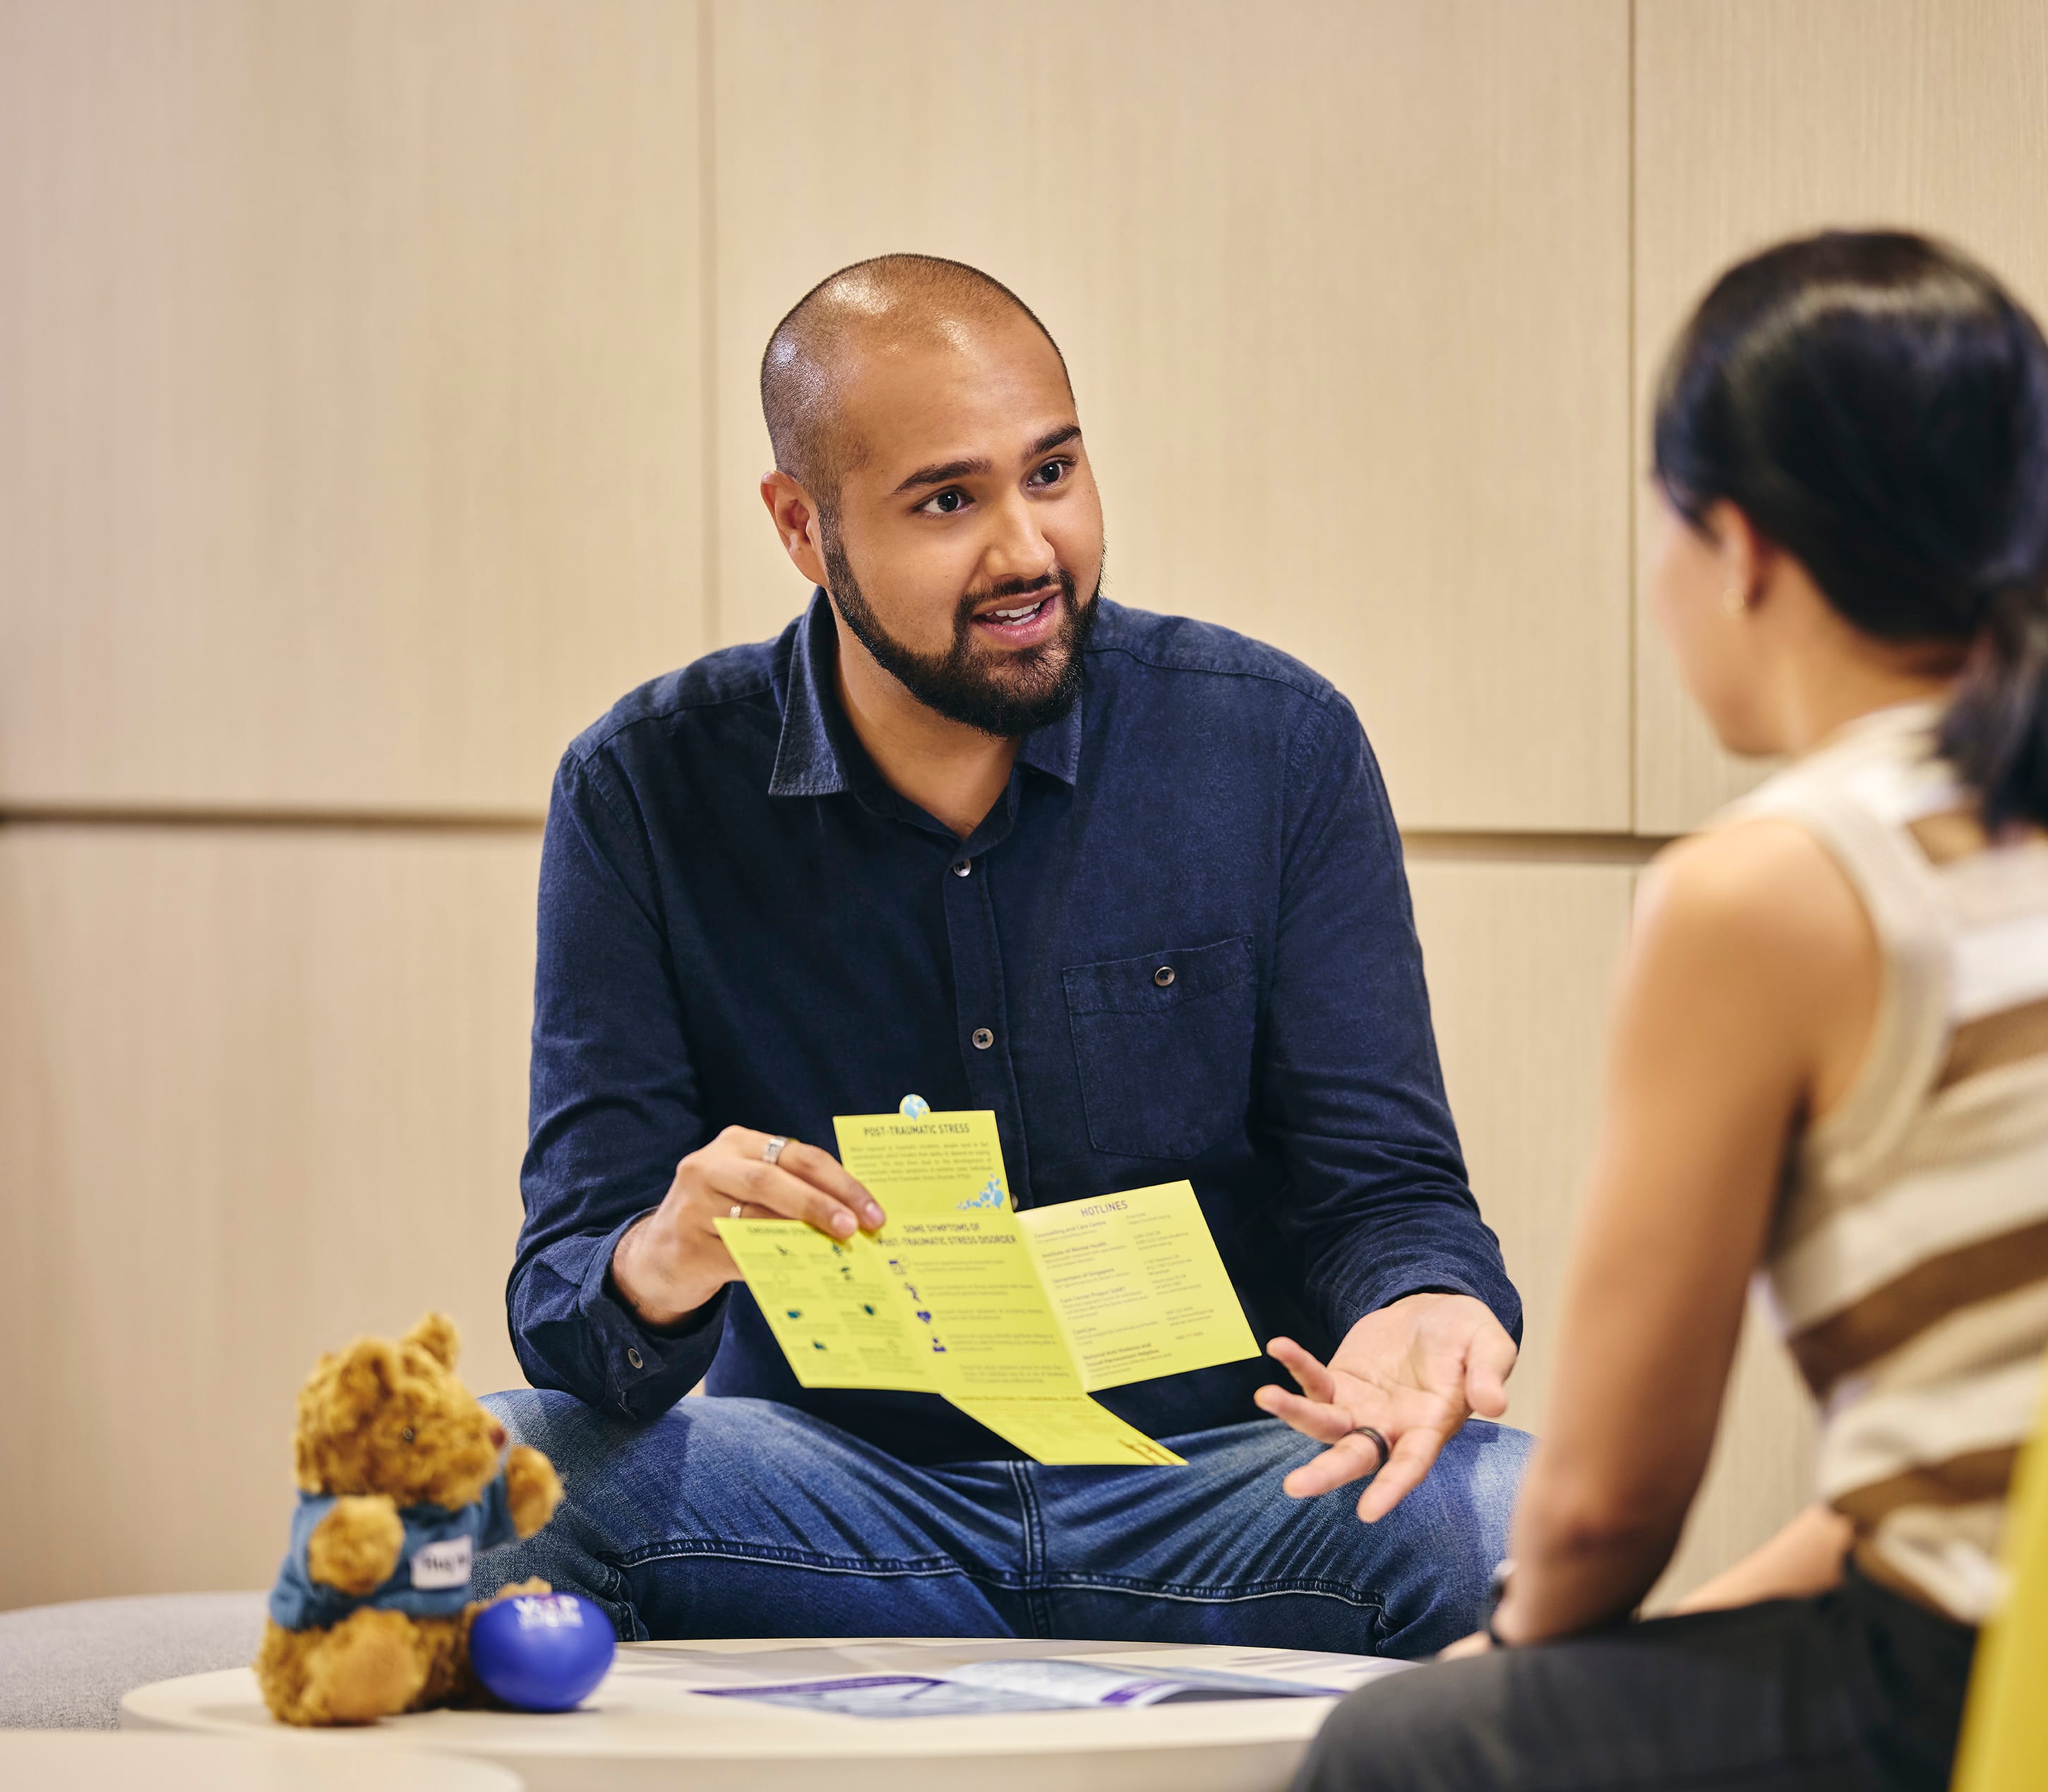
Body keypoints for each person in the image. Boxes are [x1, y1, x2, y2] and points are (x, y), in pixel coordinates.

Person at [1280, 230, 2048, 1792]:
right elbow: (1945, 1493)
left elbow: (1606, 1511)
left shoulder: (1774, 885)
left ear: (1737, 546)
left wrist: (1504, 1679)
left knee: (1390, 1766)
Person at [477, 254, 1528, 1657]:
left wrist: (1422, 1303)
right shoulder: (645, 792)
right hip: (830, 1497)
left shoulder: (1270, 745)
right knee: (484, 1481)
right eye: (946, 501)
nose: (1028, 551)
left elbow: (1381, 1187)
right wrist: (664, 1254)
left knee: (1507, 1518)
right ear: (803, 526)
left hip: (1216, 1485)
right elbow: (568, 1298)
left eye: (1053, 472)